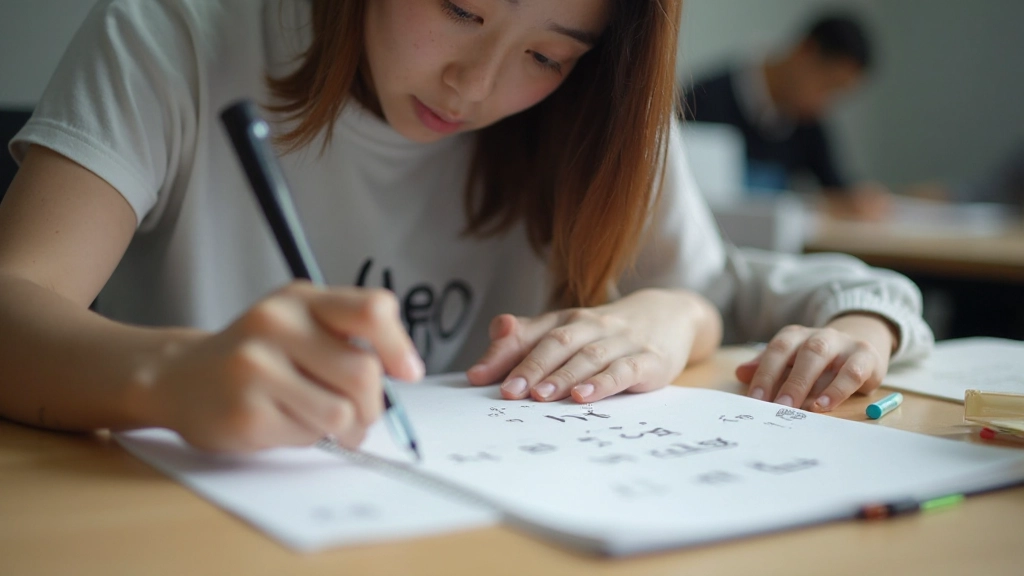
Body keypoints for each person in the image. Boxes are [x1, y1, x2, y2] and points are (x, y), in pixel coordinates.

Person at [0, 0, 931, 453]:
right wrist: (169, 373)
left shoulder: (595, 120)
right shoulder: (178, 34)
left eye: (545, 53)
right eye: (458, 8)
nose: (475, 88)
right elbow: (14, 302)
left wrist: (675, 317)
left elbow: (736, 294)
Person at [682, 13, 889, 220]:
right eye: (828, 86)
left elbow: (836, 186)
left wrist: (858, 198)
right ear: (806, 51)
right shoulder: (704, 99)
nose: (825, 103)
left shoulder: (807, 120)